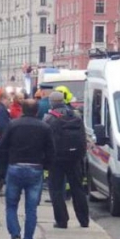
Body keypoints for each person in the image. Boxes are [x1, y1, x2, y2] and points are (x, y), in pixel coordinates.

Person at [0, 99, 55, 239]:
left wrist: (0, 173)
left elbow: (2, 148)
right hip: (35, 168)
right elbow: (51, 151)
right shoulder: (45, 127)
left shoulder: (13, 125)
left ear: (22, 110)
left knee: (11, 205)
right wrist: (46, 167)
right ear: (37, 111)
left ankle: (15, 234)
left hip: (15, 167)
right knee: (31, 209)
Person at [44, 92, 89, 229]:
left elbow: (46, 140)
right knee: (77, 188)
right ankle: (84, 220)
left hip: (57, 159)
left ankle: (62, 221)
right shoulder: (75, 115)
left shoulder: (49, 118)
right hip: (75, 157)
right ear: (63, 101)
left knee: (56, 190)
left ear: (51, 102)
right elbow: (83, 136)